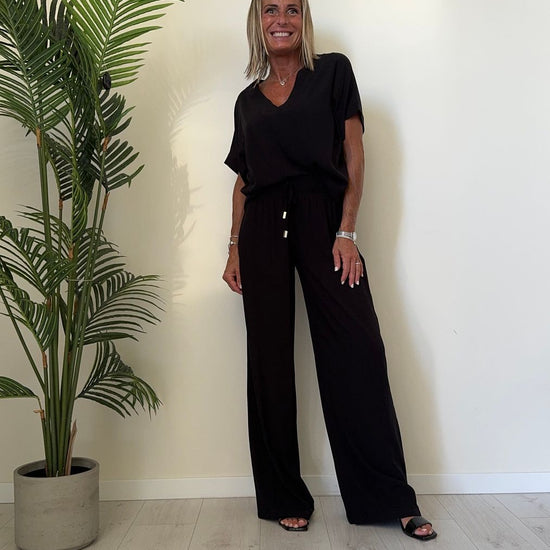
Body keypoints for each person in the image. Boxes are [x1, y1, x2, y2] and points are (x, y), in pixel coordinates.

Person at [222, 0, 436, 542]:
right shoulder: (246, 102)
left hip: (324, 221)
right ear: (257, 23)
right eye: (270, 10)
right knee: (268, 363)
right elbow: (244, 181)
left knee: (357, 353)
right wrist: (233, 247)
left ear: (304, 21)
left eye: (292, 9)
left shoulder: (333, 72)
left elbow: (353, 152)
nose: (282, 19)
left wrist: (347, 231)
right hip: (262, 229)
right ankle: (283, 496)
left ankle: (389, 497)